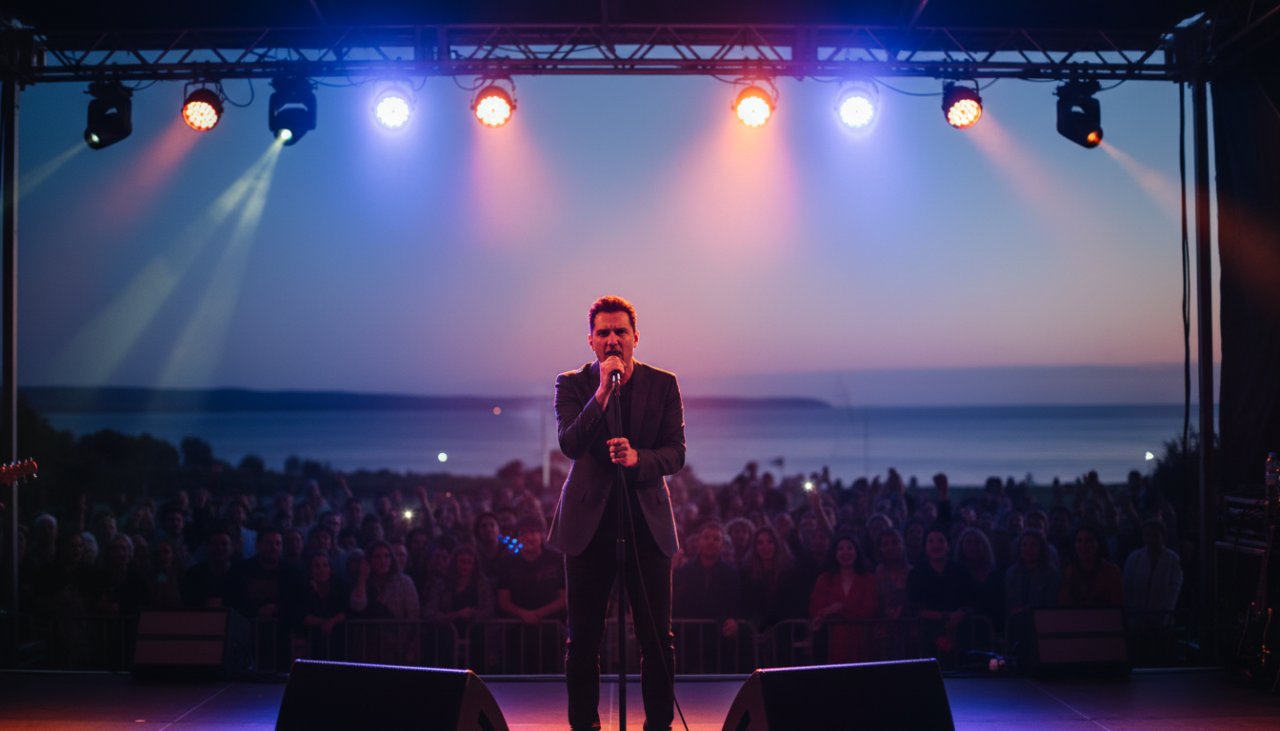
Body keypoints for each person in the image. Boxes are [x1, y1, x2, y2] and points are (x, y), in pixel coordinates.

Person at [547, 295, 684, 731]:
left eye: (620, 331)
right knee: (583, 640)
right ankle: (584, 727)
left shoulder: (663, 384)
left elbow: (676, 454)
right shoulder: (571, 384)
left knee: (657, 640)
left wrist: (637, 459)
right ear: (590, 341)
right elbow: (570, 443)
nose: (612, 340)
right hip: (588, 527)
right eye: (603, 332)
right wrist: (604, 392)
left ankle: (657, 725)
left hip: (646, 523)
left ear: (635, 338)